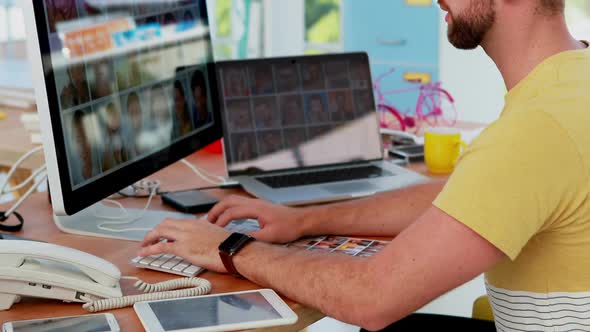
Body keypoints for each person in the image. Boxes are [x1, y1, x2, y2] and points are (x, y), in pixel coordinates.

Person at [138, 1, 590, 330]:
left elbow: (372, 298)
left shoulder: (537, 128)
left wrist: (229, 248)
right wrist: (306, 220)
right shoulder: (572, 82)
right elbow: (470, 194)